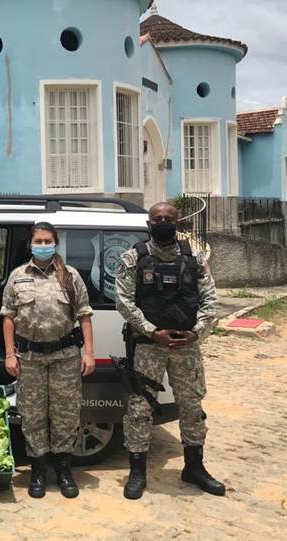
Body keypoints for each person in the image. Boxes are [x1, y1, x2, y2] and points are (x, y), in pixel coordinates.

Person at [115, 201, 225, 500]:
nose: (163, 222)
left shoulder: (195, 258)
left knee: (192, 406)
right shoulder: (134, 258)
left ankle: (194, 467)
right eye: (157, 218)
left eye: (168, 218)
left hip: (186, 346)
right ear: (149, 224)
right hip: (149, 346)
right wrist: (153, 332)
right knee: (140, 409)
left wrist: (196, 332)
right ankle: (137, 472)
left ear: (177, 223)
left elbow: (210, 299)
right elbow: (124, 302)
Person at [0, 222, 95, 499]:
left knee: (65, 414)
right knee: (32, 415)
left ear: (56, 243)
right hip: (29, 358)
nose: (43, 245)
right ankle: (38, 469)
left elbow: (85, 316)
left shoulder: (71, 276)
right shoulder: (18, 276)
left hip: (65, 357)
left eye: (48, 241)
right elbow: (8, 316)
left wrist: (88, 352)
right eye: (38, 241)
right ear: (30, 244)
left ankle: (63, 469)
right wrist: (9, 354)